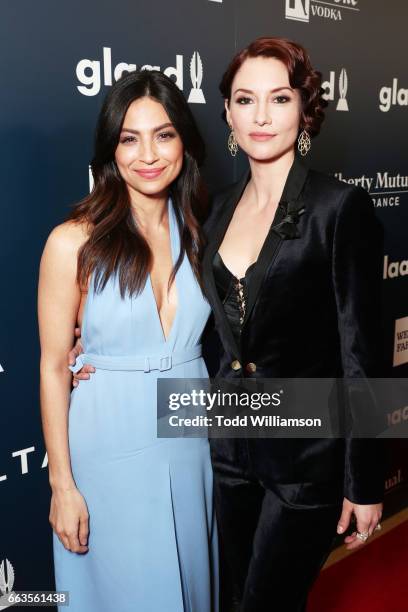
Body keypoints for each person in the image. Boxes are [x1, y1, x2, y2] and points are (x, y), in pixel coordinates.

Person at [202, 37, 385, 611]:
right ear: (227, 112)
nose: (260, 116)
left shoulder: (338, 209)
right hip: (229, 454)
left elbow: (362, 353)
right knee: (234, 598)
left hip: (306, 461)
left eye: (279, 99)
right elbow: (211, 328)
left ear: (305, 110)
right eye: (244, 99)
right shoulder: (217, 208)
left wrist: (362, 481)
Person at [38, 70, 218, 612]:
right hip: (109, 442)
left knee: (191, 584)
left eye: (164, 135)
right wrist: (63, 487)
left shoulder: (200, 230)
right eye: (129, 138)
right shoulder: (73, 242)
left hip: (191, 438)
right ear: (109, 149)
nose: (148, 154)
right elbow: (51, 366)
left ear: (184, 142)